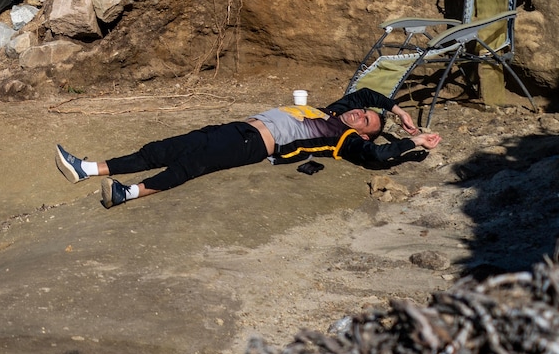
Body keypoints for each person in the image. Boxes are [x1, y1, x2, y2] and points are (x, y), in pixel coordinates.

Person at [54, 87, 441, 208]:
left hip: (253, 144)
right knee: (163, 147)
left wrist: (413, 141)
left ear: (365, 134)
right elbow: (367, 93)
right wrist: (398, 111)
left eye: (366, 121)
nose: (359, 114)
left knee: (192, 164)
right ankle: (88, 169)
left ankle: (127, 193)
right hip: (237, 127)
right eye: (362, 112)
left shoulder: (344, 139)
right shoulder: (334, 111)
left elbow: (378, 156)